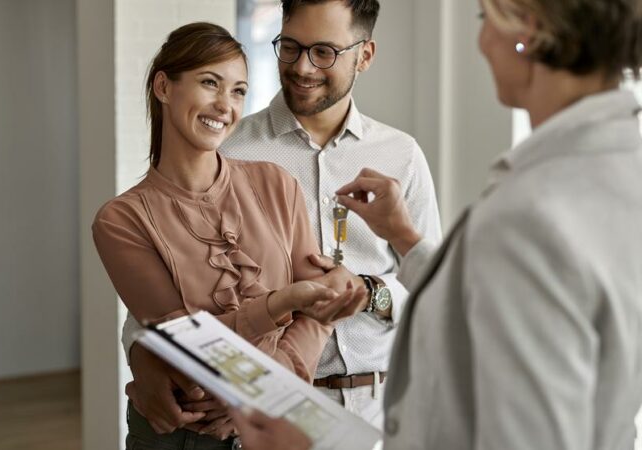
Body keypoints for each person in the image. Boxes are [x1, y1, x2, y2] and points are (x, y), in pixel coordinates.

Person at [232, 0, 642, 448]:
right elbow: (477, 305)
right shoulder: (618, 172)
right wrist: (406, 239)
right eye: (292, 47)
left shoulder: (531, 209)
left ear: (528, 30)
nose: (482, 43)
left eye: (485, 19)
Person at [121, 0, 443, 439]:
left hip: (380, 408)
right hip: (255, 415)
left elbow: (431, 287)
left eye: (324, 52)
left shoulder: (402, 155)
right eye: (290, 47)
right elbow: (163, 296)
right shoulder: (227, 150)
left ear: (364, 55)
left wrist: (369, 293)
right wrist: (143, 356)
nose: (303, 67)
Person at [92, 22, 368, 450]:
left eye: (238, 91)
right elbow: (186, 355)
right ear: (163, 86)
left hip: (277, 424)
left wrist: (263, 389)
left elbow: (319, 311)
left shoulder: (276, 184)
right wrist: (282, 304)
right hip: (183, 441)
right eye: (209, 83)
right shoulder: (121, 221)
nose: (225, 105)